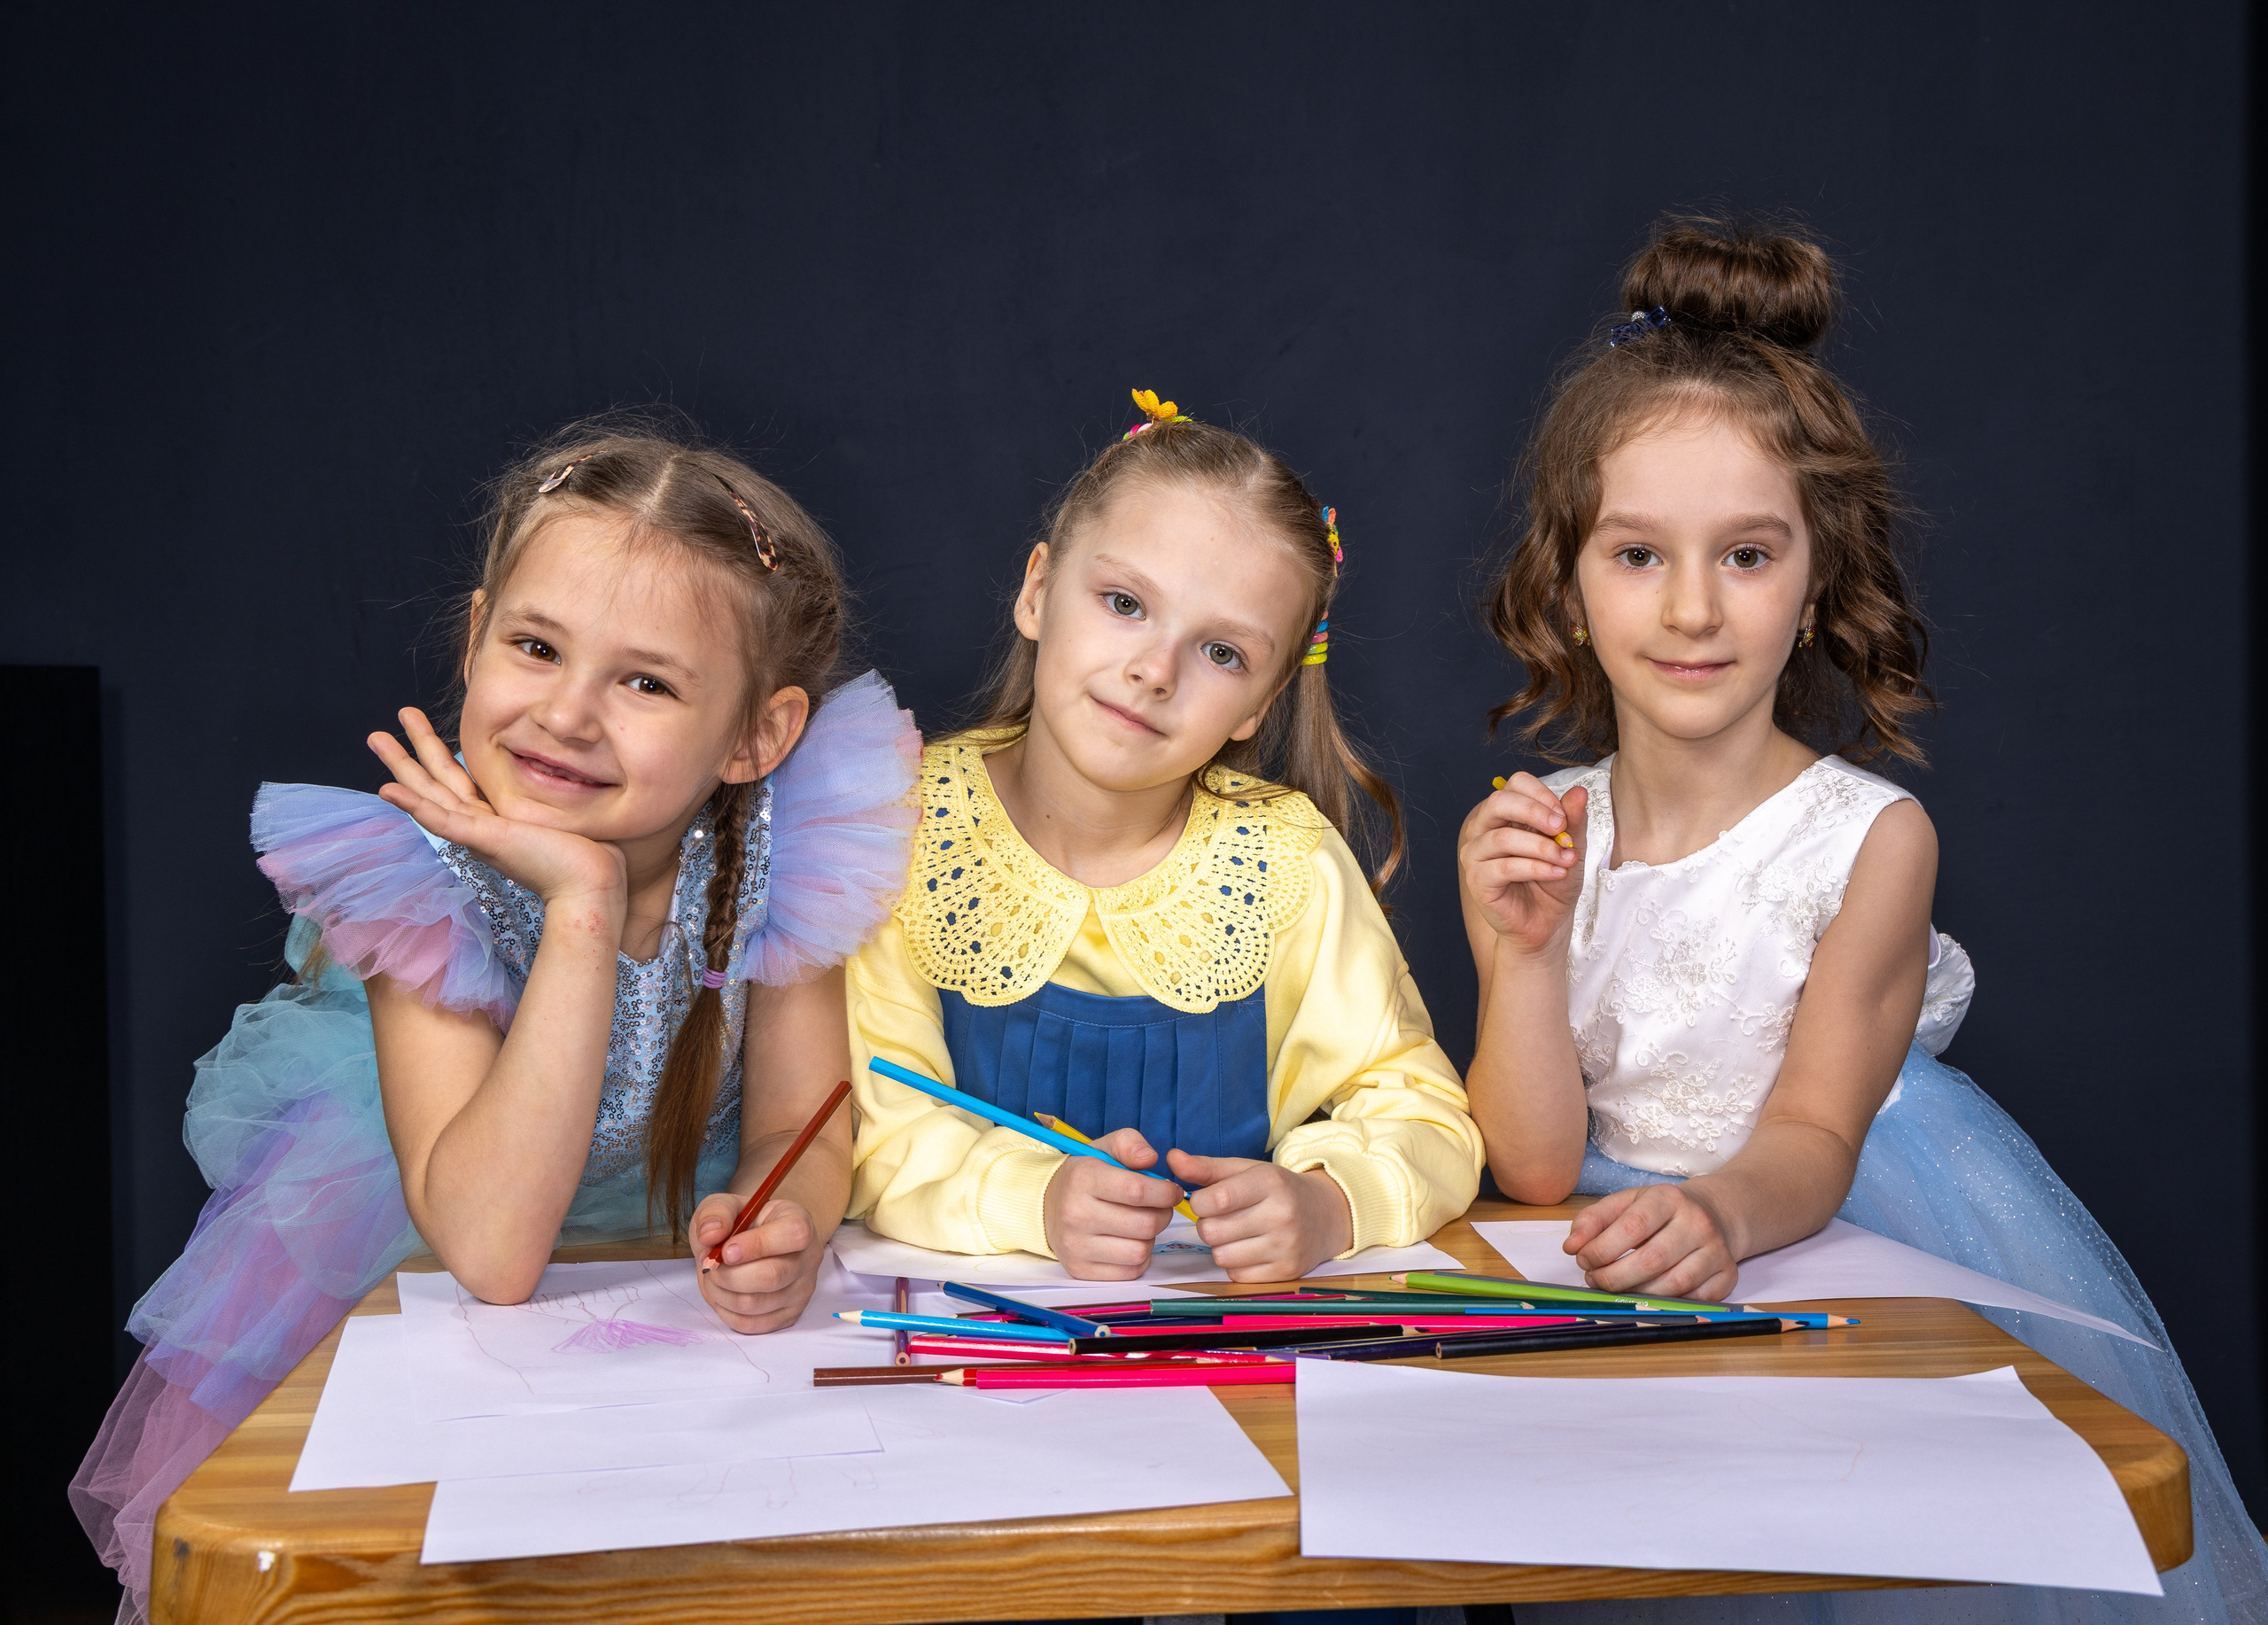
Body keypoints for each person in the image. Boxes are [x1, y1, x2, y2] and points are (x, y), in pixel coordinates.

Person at [1460, 216, 2266, 1621]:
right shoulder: (1556, 828)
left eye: (1749, 555)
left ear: (1818, 574)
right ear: (1570, 585)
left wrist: (1718, 1212)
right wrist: (1518, 957)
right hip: (1605, 1271)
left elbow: (1815, 1140)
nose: (1693, 607)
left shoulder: (1871, 840)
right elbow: (1531, 1167)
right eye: (1639, 555)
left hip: (1806, 1245)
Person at [72, 423, 920, 1618]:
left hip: (667, 1293)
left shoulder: (784, 845)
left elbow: (803, 1118)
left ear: (756, 736)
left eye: (646, 681)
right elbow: (493, 1252)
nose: (568, 714)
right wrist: (581, 904)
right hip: (428, 1276)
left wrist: (788, 1213)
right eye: (535, 646)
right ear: (474, 637)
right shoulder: (414, 876)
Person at [848, 391, 1481, 1281]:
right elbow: (873, 1129)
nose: (1153, 670)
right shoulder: (896, 831)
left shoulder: (1287, 864)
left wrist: (1328, 1204)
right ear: (1037, 590)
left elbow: (1424, 1113)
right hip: (970, 1351)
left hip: (1225, 1349)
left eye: (1221, 654)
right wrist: (1036, 1199)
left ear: (1257, 707)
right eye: (1122, 602)